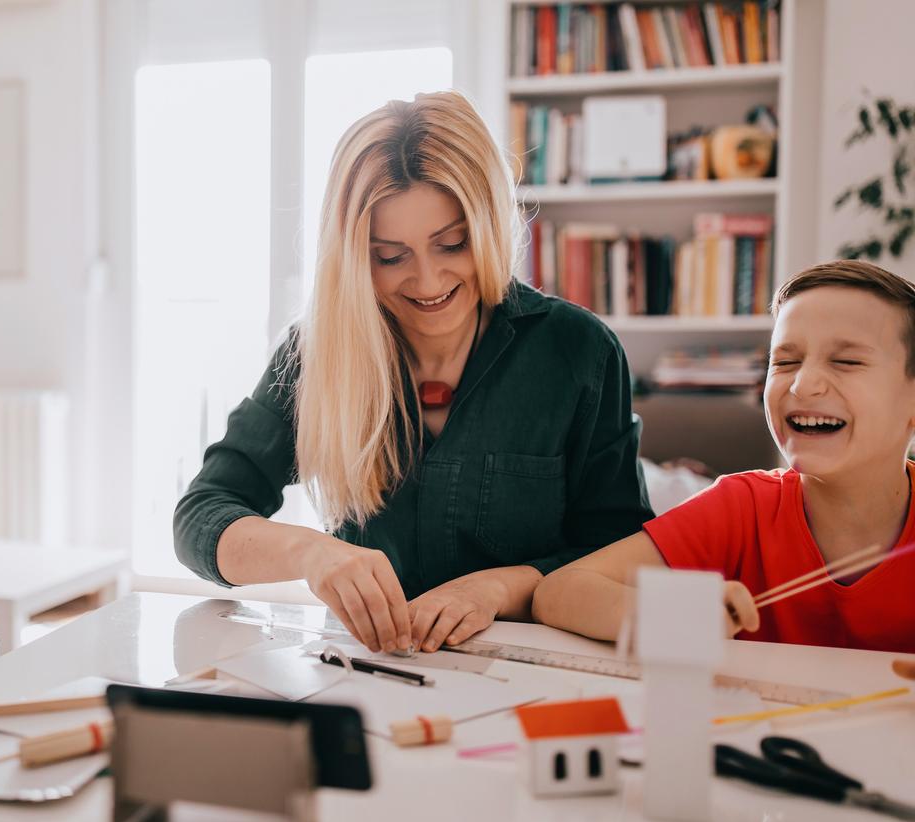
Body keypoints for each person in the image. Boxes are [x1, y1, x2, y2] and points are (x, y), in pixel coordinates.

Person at [173, 91, 653, 654]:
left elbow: (621, 556)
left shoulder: (578, 351)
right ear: (355, 255)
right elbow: (201, 516)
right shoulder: (316, 353)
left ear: (490, 225)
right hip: (369, 671)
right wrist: (311, 553)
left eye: (452, 244)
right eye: (390, 256)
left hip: (535, 671)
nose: (427, 283)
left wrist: (499, 588)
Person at [534, 260, 915, 656]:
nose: (804, 384)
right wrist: (668, 612)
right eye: (785, 361)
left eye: (846, 361)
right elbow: (559, 591)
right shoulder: (741, 507)